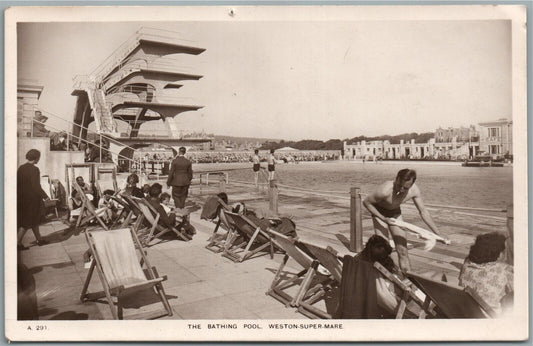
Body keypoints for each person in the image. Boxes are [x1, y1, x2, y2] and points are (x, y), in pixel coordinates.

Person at [363, 169, 448, 273]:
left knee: (403, 250)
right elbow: (367, 203)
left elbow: (423, 211)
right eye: (399, 185)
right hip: (380, 213)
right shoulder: (385, 190)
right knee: (382, 251)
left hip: (395, 213)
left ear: (412, 185)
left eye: (405, 188)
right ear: (397, 179)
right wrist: (383, 218)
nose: (401, 190)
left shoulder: (414, 191)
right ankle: (383, 278)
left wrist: (438, 234)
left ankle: (408, 279)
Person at [459, 232, 513, 316]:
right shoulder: (504, 270)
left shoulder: (467, 262)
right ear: (499, 255)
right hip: (490, 315)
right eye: (504, 251)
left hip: (468, 310)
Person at [17, 149, 49, 249]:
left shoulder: (21, 168)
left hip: (22, 198)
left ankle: (39, 239)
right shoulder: (34, 170)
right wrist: (46, 196)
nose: (39, 159)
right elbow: (36, 186)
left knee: (34, 219)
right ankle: (17, 242)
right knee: (27, 221)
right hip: (31, 199)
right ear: (35, 158)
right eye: (38, 157)